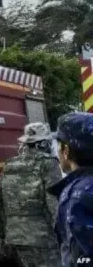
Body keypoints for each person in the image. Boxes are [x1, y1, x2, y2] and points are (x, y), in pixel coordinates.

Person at [0, 122, 62, 266]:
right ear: (44, 144)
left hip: (15, 239)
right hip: (43, 239)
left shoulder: (10, 165)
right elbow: (55, 203)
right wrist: (65, 235)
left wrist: (0, 234)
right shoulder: (49, 164)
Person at [48, 112, 93, 266]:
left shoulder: (77, 195)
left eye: (58, 146)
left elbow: (83, 259)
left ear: (66, 151)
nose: (57, 152)